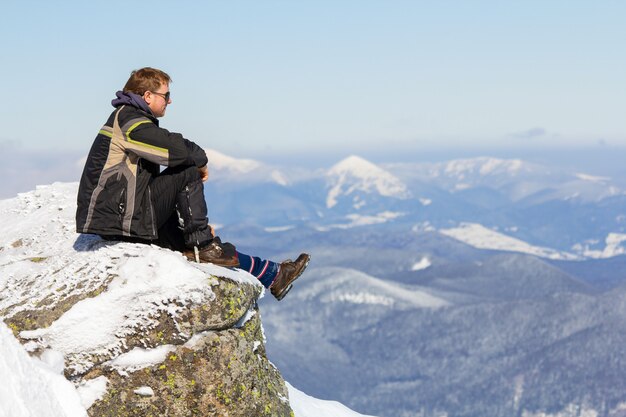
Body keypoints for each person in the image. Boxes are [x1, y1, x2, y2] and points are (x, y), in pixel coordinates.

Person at [76, 67, 309, 300]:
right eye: (165, 96)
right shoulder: (130, 121)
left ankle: (273, 275)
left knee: (198, 247)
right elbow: (175, 150)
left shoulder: (131, 119)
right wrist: (200, 160)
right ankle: (203, 244)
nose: (170, 101)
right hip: (121, 221)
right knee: (187, 172)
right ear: (147, 96)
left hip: (123, 218)